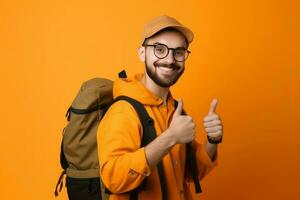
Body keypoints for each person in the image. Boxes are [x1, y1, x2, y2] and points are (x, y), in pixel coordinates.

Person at [97, 15, 224, 200]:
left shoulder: (173, 109)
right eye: (159, 49)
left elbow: (189, 174)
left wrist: (213, 140)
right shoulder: (124, 110)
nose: (170, 59)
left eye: (178, 52)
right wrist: (171, 137)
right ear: (142, 53)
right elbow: (113, 179)